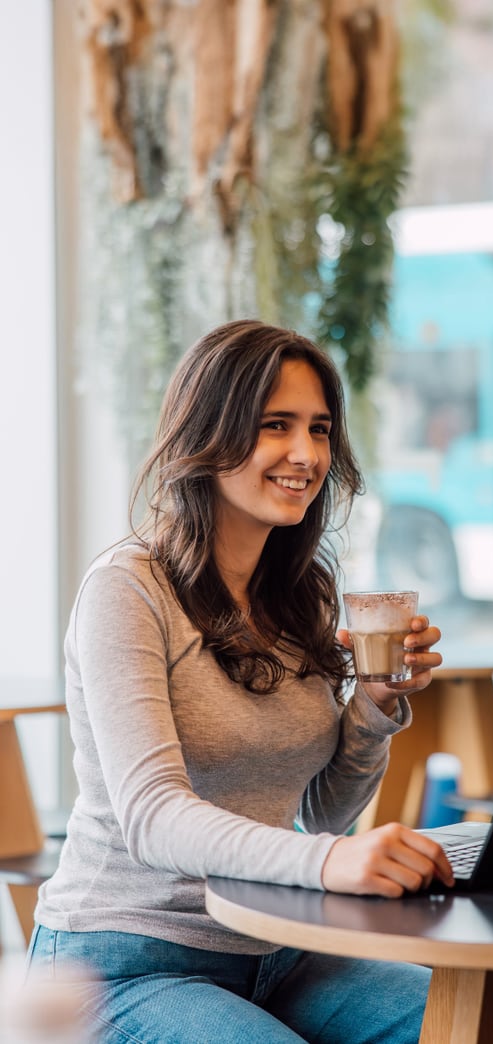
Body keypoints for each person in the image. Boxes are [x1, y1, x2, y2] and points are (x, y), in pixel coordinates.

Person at [27, 319, 454, 1043]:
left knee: (478, 1021)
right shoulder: (127, 590)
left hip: (278, 947)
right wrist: (331, 862)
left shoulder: (301, 592)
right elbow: (153, 815)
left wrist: (374, 706)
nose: (306, 453)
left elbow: (321, 813)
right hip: (125, 960)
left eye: (319, 429)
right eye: (275, 426)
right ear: (209, 435)